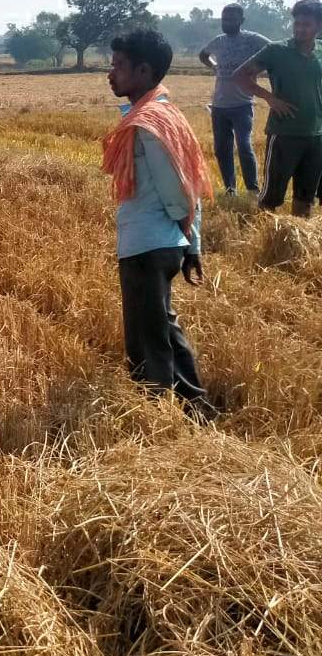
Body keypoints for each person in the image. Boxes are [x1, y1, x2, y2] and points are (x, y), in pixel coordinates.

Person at [102, 30, 213, 411]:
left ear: (144, 70)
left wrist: (188, 238)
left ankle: (156, 415)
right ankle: (197, 407)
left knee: (147, 343)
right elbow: (189, 187)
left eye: (119, 66)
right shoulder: (164, 113)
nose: (110, 73)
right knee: (164, 328)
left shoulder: (149, 124)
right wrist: (191, 243)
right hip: (162, 242)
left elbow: (177, 191)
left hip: (148, 246)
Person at [234, 0, 322, 217]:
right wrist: (270, 98)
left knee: (305, 197)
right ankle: (261, 241)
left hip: (316, 136)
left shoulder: (320, 52)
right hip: (284, 134)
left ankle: (297, 242)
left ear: (318, 27)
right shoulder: (276, 51)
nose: (300, 28)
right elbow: (240, 75)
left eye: (307, 24)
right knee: (271, 197)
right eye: (297, 23)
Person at [198, 4, 269, 195]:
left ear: (241, 21)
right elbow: (203, 55)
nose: (227, 22)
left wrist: (258, 68)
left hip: (243, 104)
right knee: (222, 149)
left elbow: (273, 50)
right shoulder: (218, 41)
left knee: (244, 146)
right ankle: (231, 190)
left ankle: (252, 190)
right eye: (224, 19)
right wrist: (213, 66)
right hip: (219, 105)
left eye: (231, 19)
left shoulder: (251, 39)